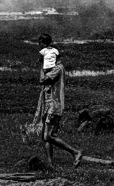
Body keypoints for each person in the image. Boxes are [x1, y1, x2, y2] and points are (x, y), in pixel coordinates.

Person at [31, 34, 83, 169]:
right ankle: (50, 165)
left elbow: (42, 80)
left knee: (49, 135)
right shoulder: (53, 67)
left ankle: (75, 152)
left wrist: (42, 64)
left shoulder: (57, 69)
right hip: (48, 104)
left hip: (54, 105)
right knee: (45, 136)